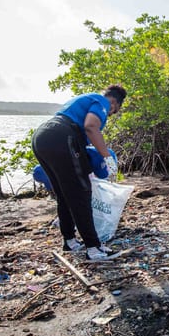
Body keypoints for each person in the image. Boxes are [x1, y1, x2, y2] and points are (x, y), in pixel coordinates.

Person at [32, 84, 126, 261]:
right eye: (114, 112)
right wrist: (107, 158)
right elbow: (91, 126)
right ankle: (94, 249)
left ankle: (70, 241)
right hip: (62, 136)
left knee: (64, 194)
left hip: (41, 136)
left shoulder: (84, 99)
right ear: (114, 104)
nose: (110, 114)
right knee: (81, 193)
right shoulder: (102, 101)